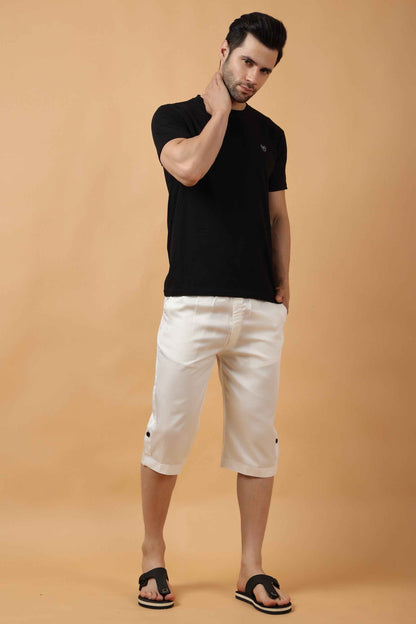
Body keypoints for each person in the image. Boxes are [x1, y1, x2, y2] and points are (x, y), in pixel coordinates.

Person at [138, 12, 293, 615]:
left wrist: (283, 285)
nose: (253, 77)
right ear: (224, 51)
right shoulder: (175, 118)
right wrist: (222, 110)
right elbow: (190, 169)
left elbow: (277, 215)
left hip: (258, 310)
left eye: (265, 70)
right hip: (193, 302)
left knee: (258, 442)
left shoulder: (272, 135)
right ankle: (153, 553)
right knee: (169, 432)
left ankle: (251, 568)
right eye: (247, 61)